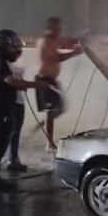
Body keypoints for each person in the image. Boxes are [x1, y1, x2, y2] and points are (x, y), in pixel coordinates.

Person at [0, 29, 47, 190]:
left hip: (5, 106)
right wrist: (35, 85)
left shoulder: (2, 61)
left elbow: (13, 82)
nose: (16, 50)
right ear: (2, 46)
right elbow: (13, 82)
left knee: (3, 140)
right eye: (12, 47)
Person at [36, 17, 81, 150]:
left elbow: (67, 41)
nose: (58, 31)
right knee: (52, 110)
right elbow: (57, 57)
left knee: (60, 108)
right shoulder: (45, 42)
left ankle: (47, 124)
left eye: (59, 28)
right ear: (49, 29)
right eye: (56, 28)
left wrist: (77, 41)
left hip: (52, 80)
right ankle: (49, 142)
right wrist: (74, 53)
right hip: (45, 80)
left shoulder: (53, 40)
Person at [7, 54, 28, 172]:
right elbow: (12, 81)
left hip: (19, 100)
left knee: (15, 131)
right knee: (12, 132)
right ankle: (12, 159)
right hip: (13, 101)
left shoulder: (18, 61)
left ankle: (13, 158)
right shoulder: (7, 63)